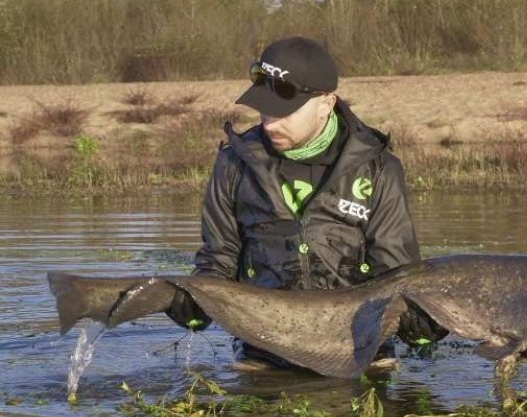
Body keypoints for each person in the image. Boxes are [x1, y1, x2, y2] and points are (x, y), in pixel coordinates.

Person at [166, 35, 441, 367]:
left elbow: (397, 273)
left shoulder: (379, 169)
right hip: (264, 354)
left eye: (285, 111)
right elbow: (218, 259)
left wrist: (421, 326)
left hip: (362, 352)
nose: (271, 123)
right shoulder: (233, 164)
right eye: (264, 109)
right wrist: (196, 304)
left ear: (326, 103)